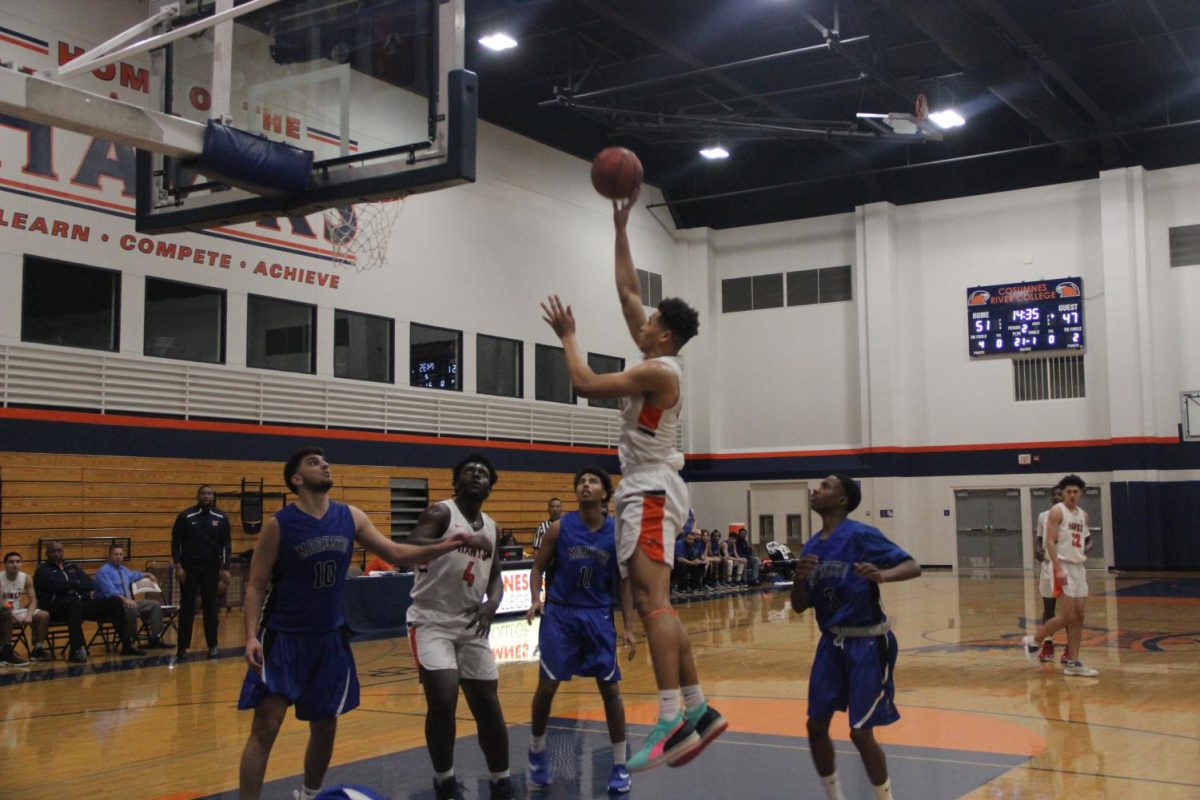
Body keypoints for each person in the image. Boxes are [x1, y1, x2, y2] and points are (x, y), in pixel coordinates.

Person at [540, 186, 725, 773]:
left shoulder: (658, 370)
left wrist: (568, 337)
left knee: (651, 602)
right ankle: (699, 709)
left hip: (648, 487)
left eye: (650, 321)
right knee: (657, 600)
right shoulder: (659, 356)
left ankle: (670, 717)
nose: (640, 321)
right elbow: (627, 291)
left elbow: (587, 384)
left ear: (663, 334)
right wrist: (621, 227)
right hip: (652, 486)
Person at [237, 447, 489, 800]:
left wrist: (448, 544)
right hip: (284, 637)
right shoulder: (279, 525)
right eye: (313, 462)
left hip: (329, 638)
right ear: (296, 479)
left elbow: (397, 554)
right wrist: (251, 635)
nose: (324, 464)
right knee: (266, 724)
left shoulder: (350, 516)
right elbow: (255, 584)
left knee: (325, 725)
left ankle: (309, 795)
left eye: (325, 460)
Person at [791, 474, 920, 800]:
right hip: (830, 643)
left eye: (825, 486)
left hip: (867, 641)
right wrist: (798, 579)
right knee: (815, 725)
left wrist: (882, 575)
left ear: (842, 500)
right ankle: (834, 795)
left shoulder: (860, 535)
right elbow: (799, 605)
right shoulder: (811, 545)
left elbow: (912, 565)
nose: (816, 490)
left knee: (860, 732)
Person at [405, 453, 513, 800]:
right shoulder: (440, 513)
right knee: (443, 695)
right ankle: (445, 780)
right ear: (456, 481)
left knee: (488, 704)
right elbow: (412, 546)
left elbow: (496, 578)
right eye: (470, 471)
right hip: (431, 618)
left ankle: (501, 781)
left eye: (483, 473)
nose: (477, 475)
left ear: (491, 488)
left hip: (470, 620)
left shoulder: (493, 527)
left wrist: (492, 605)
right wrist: (461, 540)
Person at [525, 466, 637, 794]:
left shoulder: (617, 534)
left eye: (592, 482)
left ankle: (619, 764)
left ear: (605, 493)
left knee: (610, 689)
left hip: (597, 615)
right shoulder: (559, 529)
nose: (585, 486)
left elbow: (624, 583)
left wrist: (628, 625)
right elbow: (536, 567)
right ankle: (536, 752)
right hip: (560, 613)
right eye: (581, 482)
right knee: (547, 687)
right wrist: (535, 598)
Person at [1022, 475, 1098, 677]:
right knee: (1067, 615)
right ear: (1063, 493)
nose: (1072, 495)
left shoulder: (1083, 515)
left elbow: (1084, 541)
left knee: (1079, 616)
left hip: (1079, 567)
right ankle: (1034, 641)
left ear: (1080, 493)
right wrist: (1057, 567)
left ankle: (1073, 661)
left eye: (1076, 492)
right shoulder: (1057, 512)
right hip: (1062, 565)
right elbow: (1049, 542)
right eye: (1068, 492)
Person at [33, 540, 123, 663]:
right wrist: (76, 583)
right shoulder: (43, 570)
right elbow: (55, 586)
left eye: (59, 551)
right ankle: (75, 650)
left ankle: (127, 643)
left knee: (115, 601)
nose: (56, 554)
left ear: (63, 552)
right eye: (53, 551)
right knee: (74, 603)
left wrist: (73, 585)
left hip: (80, 605)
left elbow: (90, 584)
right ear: (46, 553)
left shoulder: (72, 567)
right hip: (55, 608)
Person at [172, 485, 232, 660]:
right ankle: (182, 647)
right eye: (204, 493)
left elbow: (226, 545)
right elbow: (176, 542)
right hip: (189, 568)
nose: (207, 496)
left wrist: (225, 568)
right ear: (198, 496)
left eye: (210, 494)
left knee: (210, 607)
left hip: (211, 568)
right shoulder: (186, 516)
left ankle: (213, 645)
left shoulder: (221, 518)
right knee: (187, 608)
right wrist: (178, 565)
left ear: (213, 497)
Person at [93, 544, 171, 650]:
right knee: (131, 608)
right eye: (115, 554)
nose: (118, 557)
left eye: (120, 554)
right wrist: (126, 600)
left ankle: (156, 639)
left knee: (155, 605)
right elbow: (110, 593)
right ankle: (129, 642)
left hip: (129, 602)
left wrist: (148, 574)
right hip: (113, 606)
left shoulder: (124, 570)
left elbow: (136, 575)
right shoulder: (103, 572)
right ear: (109, 556)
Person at [1034, 485, 1065, 662]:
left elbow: (1087, 541)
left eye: (1059, 494)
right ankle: (1048, 643)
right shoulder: (1043, 517)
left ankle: (1070, 648)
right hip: (1047, 566)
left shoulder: (1073, 516)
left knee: (1068, 611)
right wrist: (1037, 549)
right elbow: (1040, 539)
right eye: (1053, 495)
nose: (1056, 497)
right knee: (1048, 608)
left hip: (1065, 565)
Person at [3, 552, 49, 665]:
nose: (15, 564)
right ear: (5, 564)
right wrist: (10, 609)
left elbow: (33, 600)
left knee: (44, 615)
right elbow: (2, 602)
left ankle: (37, 649)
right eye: (11, 562)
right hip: (3, 610)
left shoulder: (26, 578)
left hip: (16, 610)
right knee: (6, 612)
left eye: (18, 561)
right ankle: (7, 651)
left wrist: (29, 615)